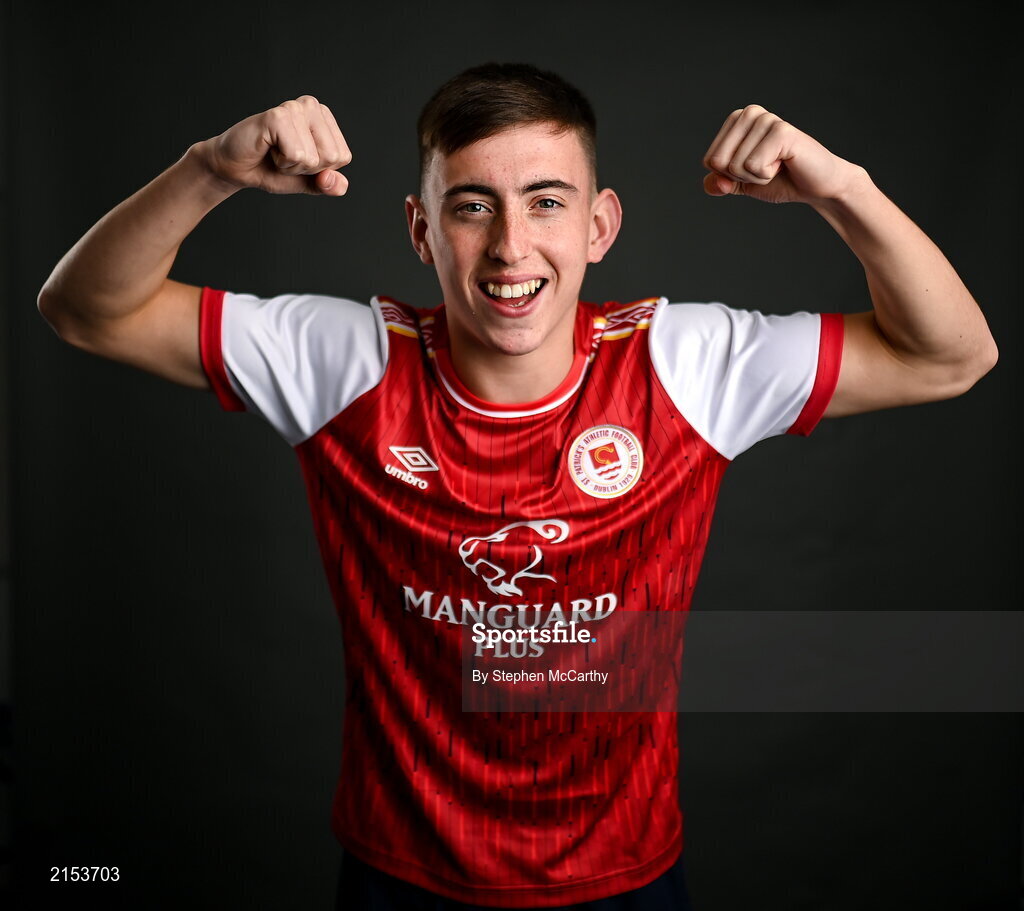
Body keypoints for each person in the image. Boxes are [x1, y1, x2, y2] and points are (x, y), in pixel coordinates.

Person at [36, 62, 997, 910]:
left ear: (600, 224)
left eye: (545, 201)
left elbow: (952, 356)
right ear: (421, 230)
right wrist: (210, 168)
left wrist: (843, 190)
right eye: (471, 205)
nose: (509, 247)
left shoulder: (685, 364)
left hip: (624, 876)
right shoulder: (347, 363)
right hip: (401, 876)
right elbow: (84, 310)